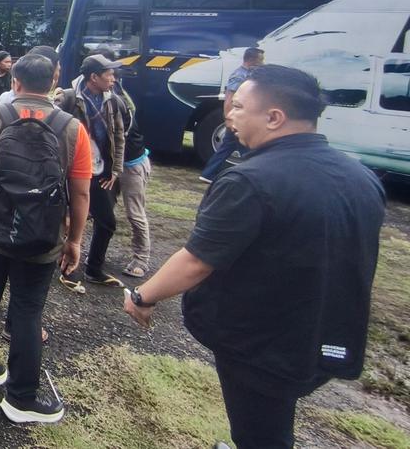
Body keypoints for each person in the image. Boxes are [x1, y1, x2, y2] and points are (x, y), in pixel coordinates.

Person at [123, 65, 384, 449]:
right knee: (271, 418)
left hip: (263, 341)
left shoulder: (250, 180)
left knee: (261, 431)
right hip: (327, 331)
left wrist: (143, 297)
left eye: (240, 107)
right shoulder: (362, 178)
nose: (229, 115)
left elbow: (197, 259)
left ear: (274, 117)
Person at [0, 53, 93, 423]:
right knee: (28, 311)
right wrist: (75, 239)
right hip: (43, 236)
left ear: (15, 83)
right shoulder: (72, 129)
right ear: (53, 84)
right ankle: (21, 397)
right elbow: (80, 193)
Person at [55, 54, 127, 289]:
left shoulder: (112, 101)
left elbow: (118, 134)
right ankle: (64, 269)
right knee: (68, 219)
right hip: (72, 170)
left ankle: (94, 269)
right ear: (93, 77)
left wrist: (115, 169)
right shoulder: (67, 98)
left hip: (100, 171)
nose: (113, 79)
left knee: (107, 221)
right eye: (109, 74)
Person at [201, 47, 265, 183]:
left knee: (232, 148)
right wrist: (230, 118)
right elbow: (229, 99)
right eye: (260, 60)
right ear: (251, 60)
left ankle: (208, 174)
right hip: (235, 120)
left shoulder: (246, 75)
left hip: (237, 120)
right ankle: (252, 176)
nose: (262, 63)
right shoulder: (239, 76)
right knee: (245, 149)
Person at [117, 83, 152, 279]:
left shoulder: (119, 101)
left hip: (132, 163)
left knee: (135, 213)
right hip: (110, 164)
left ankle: (141, 258)